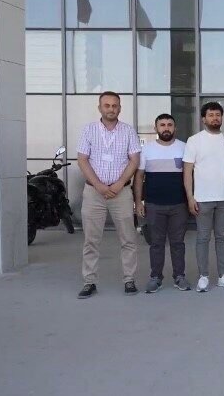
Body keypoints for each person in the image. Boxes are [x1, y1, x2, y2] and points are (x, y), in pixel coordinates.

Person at [76, 91, 141, 299]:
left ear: (120, 108)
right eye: (107, 105)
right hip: (94, 192)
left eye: (115, 105)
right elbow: (82, 159)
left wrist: (119, 183)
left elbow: (134, 160)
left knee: (128, 238)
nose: (111, 109)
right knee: (91, 240)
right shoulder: (88, 130)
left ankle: (129, 279)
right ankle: (89, 281)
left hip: (121, 193)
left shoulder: (128, 131)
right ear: (100, 108)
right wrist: (99, 185)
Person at [183, 102, 224, 292]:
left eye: (218, 115)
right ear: (203, 119)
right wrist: (190, 197)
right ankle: (203, 276)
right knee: (203, 238)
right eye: (211, 115)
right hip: (202, 198)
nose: (215, 118)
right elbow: (187, 171)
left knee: (223, 237)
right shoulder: (194, 141)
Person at [133, 113, 190, 293]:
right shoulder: (147, 150)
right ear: (156, 128)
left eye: (169, 125)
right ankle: (155, 277)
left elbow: (190, 175)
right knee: (156, 243)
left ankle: (179, 276)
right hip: (154, 205)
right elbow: (139, 177)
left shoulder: (184, 147)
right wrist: (138, 202)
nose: (166, 128)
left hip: (179, 204)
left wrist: (191, 199)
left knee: (178, 243)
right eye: (162, 125)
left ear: (175, 128)